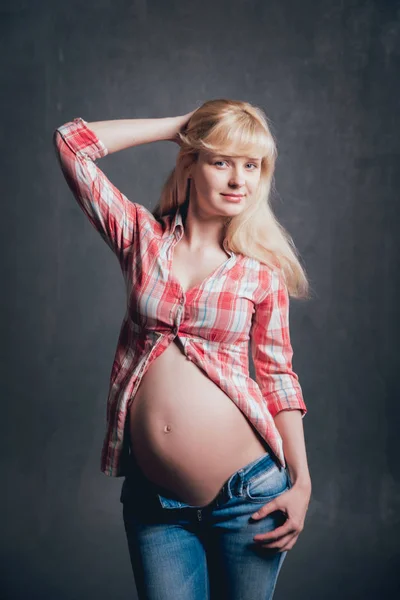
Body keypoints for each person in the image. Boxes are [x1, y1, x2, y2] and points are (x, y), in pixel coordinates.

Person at [53, 98, 312, 600]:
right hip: (156, 505)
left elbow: (279, 380)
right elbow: (71, 145)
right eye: (222, 161)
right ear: (191, 164)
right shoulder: (140, 239)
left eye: (251, 166)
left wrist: (301, 483)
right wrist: (179, 127)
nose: (239, 180)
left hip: (250, 497)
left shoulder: (261, 274)